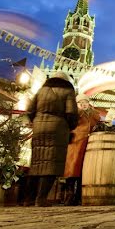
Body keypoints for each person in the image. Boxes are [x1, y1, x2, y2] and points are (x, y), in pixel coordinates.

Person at [28, 74, 77, 207]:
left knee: (37, 162)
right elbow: (71, 112)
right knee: (52, 162)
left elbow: (30, 109)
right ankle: (41, 198)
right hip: (58, 128)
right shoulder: (68, 90)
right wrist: (71, 126)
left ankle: (29, 199)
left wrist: (35, 121)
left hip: (39, 127)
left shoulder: (41, 90)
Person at [64, 94, 101, 206]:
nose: (83, 104)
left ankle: (79, 196)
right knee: (72, 169)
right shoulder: (75, 113)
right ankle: (69, 196)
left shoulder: (92, 114)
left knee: (83, 171)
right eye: (81, 102)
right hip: (75, 143)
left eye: (85, 102)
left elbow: (96, 122)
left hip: (87, 143)